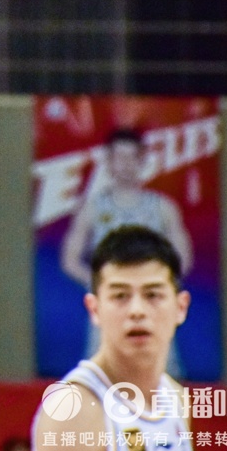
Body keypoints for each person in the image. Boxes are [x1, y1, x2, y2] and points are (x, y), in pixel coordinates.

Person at [32, 226, 193, 451]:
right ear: (94, 309)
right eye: (120, 296)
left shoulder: (175, 398)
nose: (137, 311)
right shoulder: (73, 411)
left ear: (181, 307)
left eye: (152, 295)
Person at [60, 128, 192, 374]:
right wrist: (104, 286)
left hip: (153, 310)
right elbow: (70, 259)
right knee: (103, 378)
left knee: (160, 378)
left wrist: (156, 288)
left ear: (143, 160)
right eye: (119, 158)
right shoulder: (93, 208)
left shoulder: (163, 208)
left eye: (132, 157)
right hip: (109, 310)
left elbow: (183, 259)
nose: (125, 165)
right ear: (109, 162)